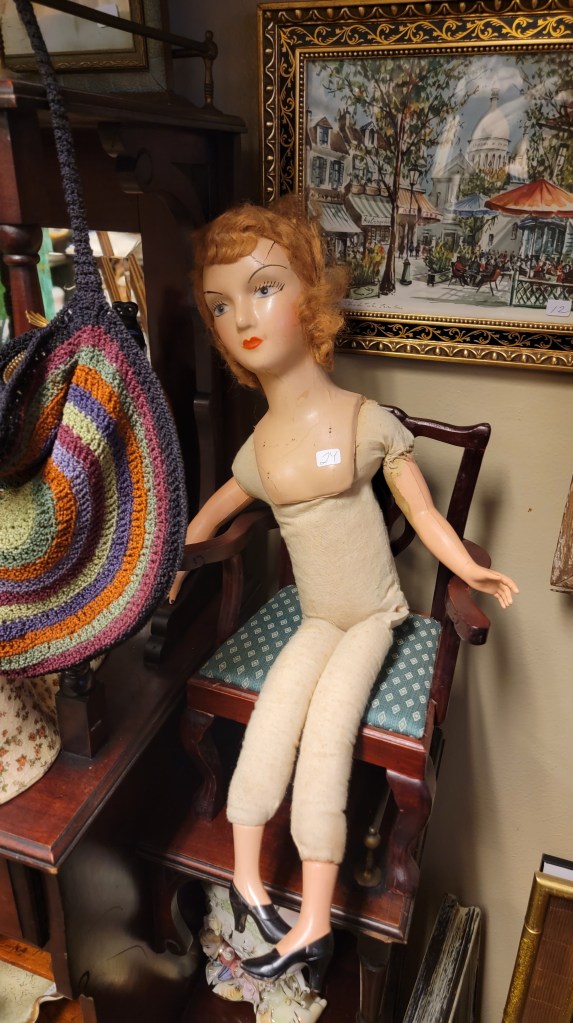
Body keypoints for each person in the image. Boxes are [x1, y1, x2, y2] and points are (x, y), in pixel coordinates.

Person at [169, 197, 518, 991]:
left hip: (370, 617)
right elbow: (210, 517)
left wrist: (468, 569)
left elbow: (423, 515)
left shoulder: (362, 422)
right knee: (270, 724)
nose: (241, 318)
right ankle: (248, 882)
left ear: (311, 297)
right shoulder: (262, 446)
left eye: (263, 288)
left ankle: (315, 919)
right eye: (221, 305)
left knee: (326, 735)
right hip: (316, 618)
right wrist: (166, 570)